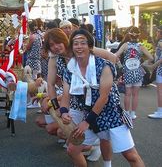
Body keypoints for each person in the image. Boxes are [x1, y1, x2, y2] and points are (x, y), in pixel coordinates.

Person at [61, 29, 144, 167]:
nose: (79, 47)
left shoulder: (104, 66)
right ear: (72, 47)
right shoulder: (70, 69)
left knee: (131, 156)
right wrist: (63, 111)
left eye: (83, 43)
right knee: (72, 149)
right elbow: (65, 95)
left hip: (111, 114)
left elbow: (104, 97)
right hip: (89, 114)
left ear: (90, 46)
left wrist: (86, 122)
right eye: (75, 43)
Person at [42, 28, 117, 163]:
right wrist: (56, 106)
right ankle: (91, 145)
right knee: (71, 136)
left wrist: (108, 82)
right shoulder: (55, 58)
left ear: (65, 40)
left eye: (57, 42)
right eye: (51, 45)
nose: (55, 47)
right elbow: (50, 84)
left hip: (96, 99)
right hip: (75, 102)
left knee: (104, 135)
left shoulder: (79, 48)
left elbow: (112, 57)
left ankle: (100, 153)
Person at [115, 26, 154, 119]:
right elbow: (151, 58)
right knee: (136, 94)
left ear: (129, 35)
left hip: (127, 71)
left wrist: (121, 66)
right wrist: (142, 63)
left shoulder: (125, 45)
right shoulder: (141, 46)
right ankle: (133, 114)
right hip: (137, 72)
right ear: (138, 36)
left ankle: (127, 113)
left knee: (128, 94)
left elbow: (115, 56)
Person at [148, 26, 162, 119]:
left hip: (161, 69)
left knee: (160, 91)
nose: (156, 33)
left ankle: (160, 111)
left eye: (157, 31)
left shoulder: (161, 42)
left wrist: (153, 66)